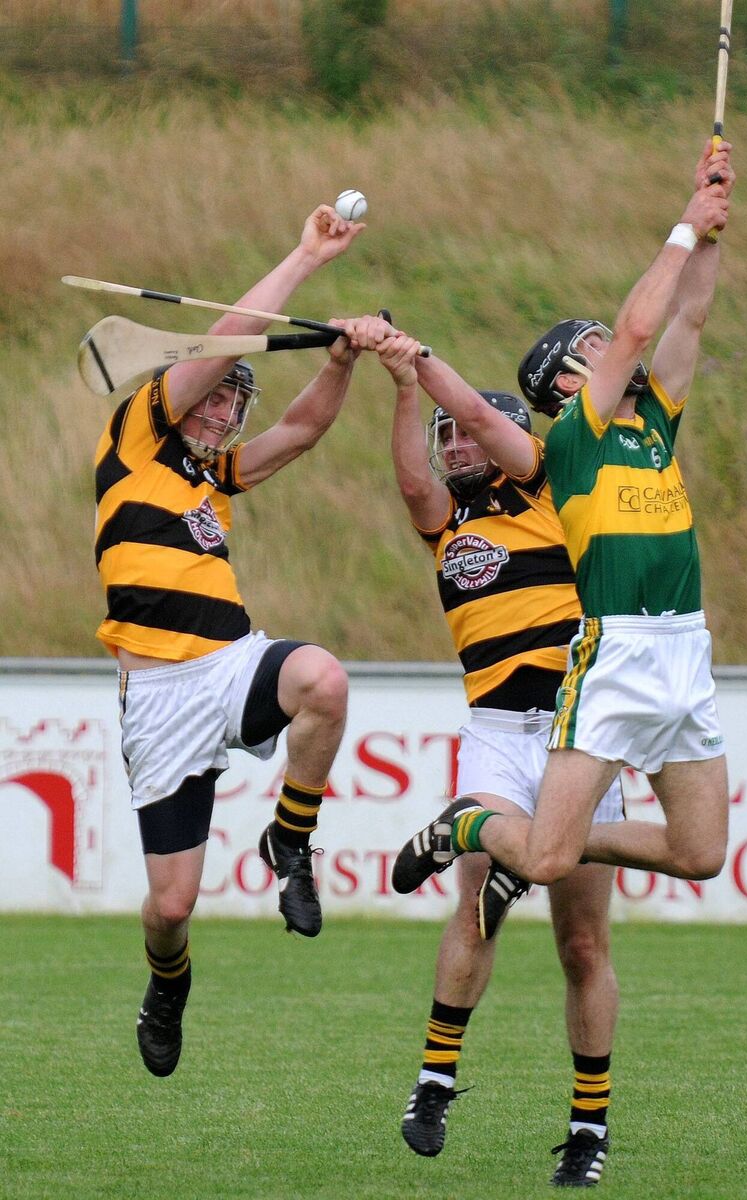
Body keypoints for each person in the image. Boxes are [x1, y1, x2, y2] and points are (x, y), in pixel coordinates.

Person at [389, 139, 735, 1185]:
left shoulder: (655, 426)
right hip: (619, 658)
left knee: (702, 855)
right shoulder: (573, 437)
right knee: (538, 863)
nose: (610, 344)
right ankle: (468, 830)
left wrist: (715, 222)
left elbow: (687, 319)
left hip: (690, 655)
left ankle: (510, 838)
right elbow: (636, 325)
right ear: (570, 379)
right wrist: (678, 222)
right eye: (587, 346)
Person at [340, 313, 624, 1185]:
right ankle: (434, 1083)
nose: (454, 442)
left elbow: (483, 413)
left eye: (467, 430)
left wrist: (424, 362)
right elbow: (408, 479)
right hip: (499, 734)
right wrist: (398, 387)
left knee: (581, 948)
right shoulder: (445, 526)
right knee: (476, 910)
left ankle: (588, 1130)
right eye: (445, 436)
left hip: (581, 730)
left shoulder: (550, 490)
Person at [93, 204, 364, 1077]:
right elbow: (228, 336)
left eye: (231, 397)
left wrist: (339, 362)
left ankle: (291, 838)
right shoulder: (136, 436)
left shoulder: (210, 478)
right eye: (212, 389)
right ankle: (167, 983)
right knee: (170, 909)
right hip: (159, 700)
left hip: (232, 664)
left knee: (323, 680)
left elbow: (305, 430)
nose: (222, 405)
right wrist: (304, 257)